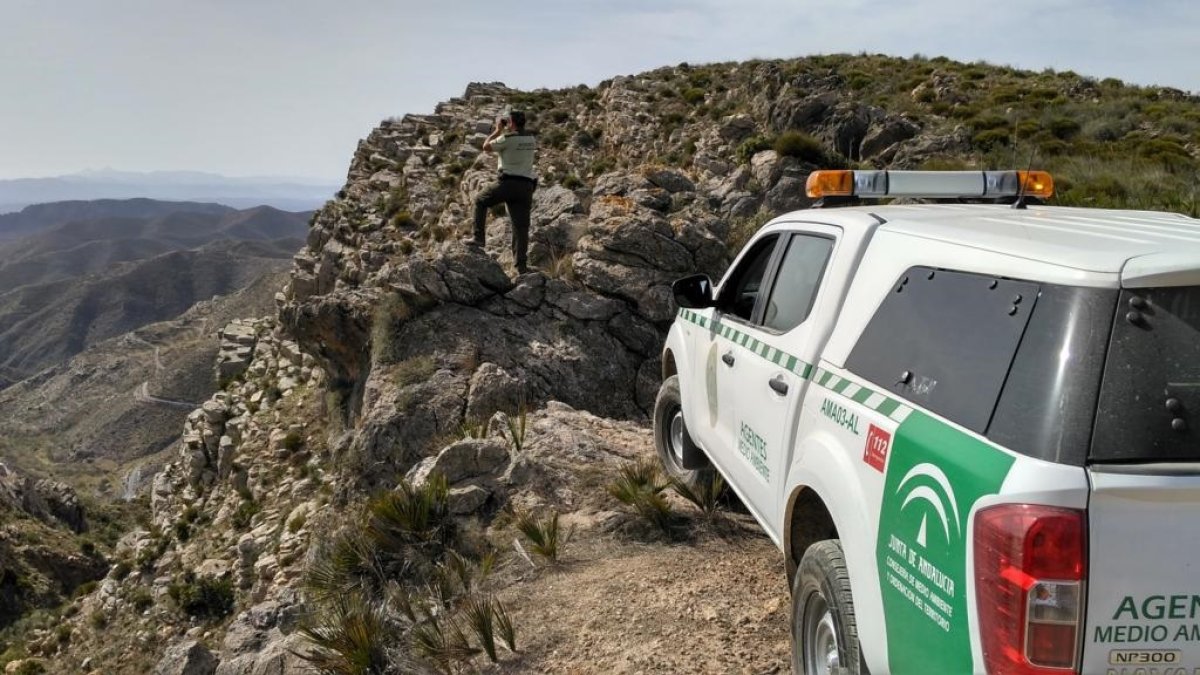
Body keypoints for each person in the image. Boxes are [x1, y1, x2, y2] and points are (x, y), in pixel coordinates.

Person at [473, 109, 538, 273]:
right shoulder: (531, 139)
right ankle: (521, 266)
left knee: (480, 200)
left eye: (508, 121)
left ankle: (478, 239)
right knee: (521, 227)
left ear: (512, 123)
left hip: (508, 183)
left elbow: (485, 147)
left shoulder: (507, 139)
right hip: (526, 187)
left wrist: (497, 130)